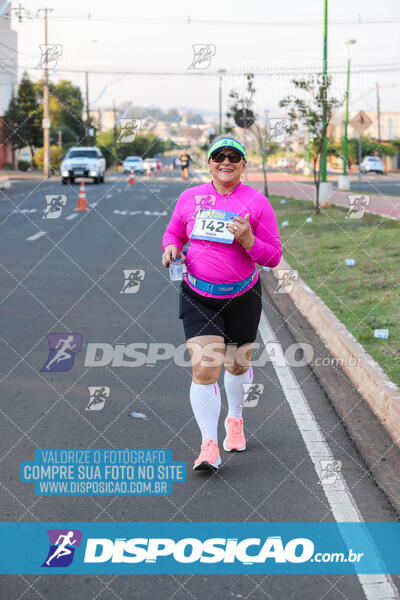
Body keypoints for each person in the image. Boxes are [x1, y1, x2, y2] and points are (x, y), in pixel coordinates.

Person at [161, 136, 282, 472]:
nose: (225, 162)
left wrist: (248, 240)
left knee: (237, 366)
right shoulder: (189, 198)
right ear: (209, 162)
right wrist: (170, 248)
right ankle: (208, 445)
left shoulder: (257, 203)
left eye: (234, 156)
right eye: (219, 156)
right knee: (204, 368)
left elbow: (272, 257)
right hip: (198, 295)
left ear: (244, 164)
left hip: (243, 296)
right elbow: (173, 233)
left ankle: (235, 419)